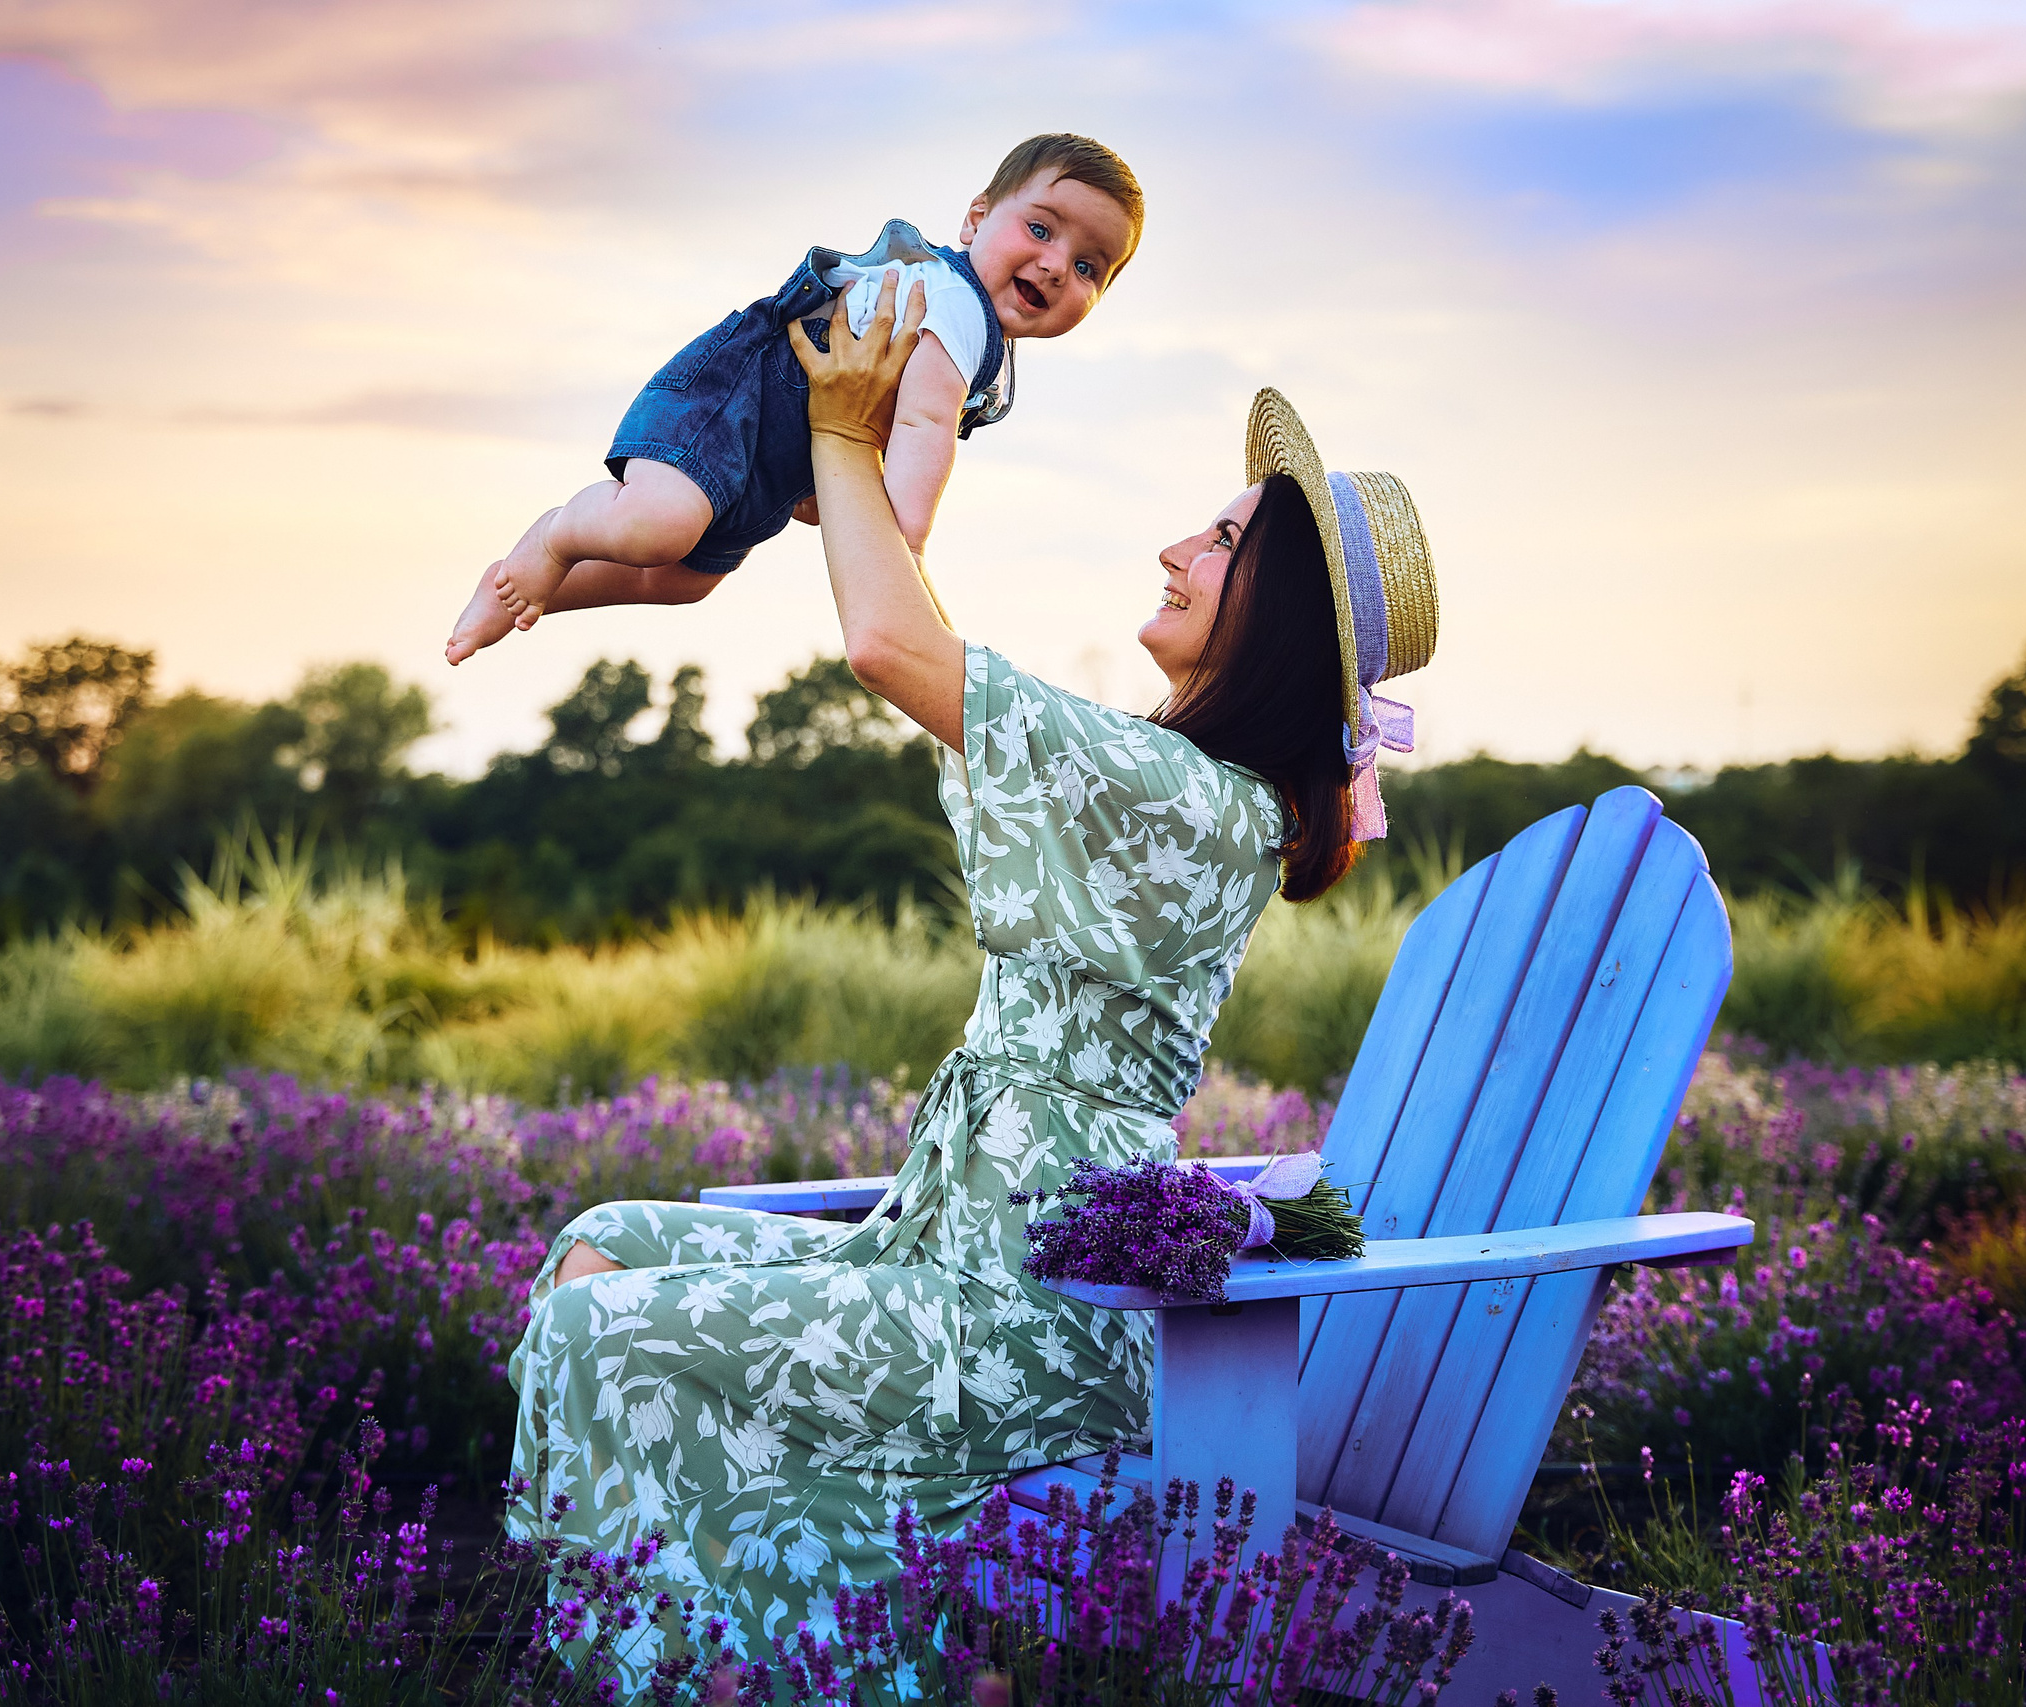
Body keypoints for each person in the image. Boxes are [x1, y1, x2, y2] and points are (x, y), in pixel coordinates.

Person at [502, 275, 1439, 1663]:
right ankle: (742, 1639)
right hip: (942, 1252)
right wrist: (873, 473)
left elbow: (892, 645)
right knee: (602, 1242)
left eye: (1224, 538)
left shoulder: (1193, 798)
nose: (1177, 546)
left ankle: (697, 1659)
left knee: (607, 1336)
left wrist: (843, 436)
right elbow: (934, 671)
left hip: (1023, 1319)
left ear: (1282, 612)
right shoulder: (1161, 779)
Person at [443, 134, 1145, 667]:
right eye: (1042, 229)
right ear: (975, 219)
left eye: (1089, 267)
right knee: (659, 526)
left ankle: (528, 588)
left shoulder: (986, 353)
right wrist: (902, 543)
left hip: (777, 467)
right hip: (735, 401)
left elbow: (879, 431)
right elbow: (922, 421)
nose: (1057, 265)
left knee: (684, 580)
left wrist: (828, 496)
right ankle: (552, 538)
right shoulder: (954, 306)